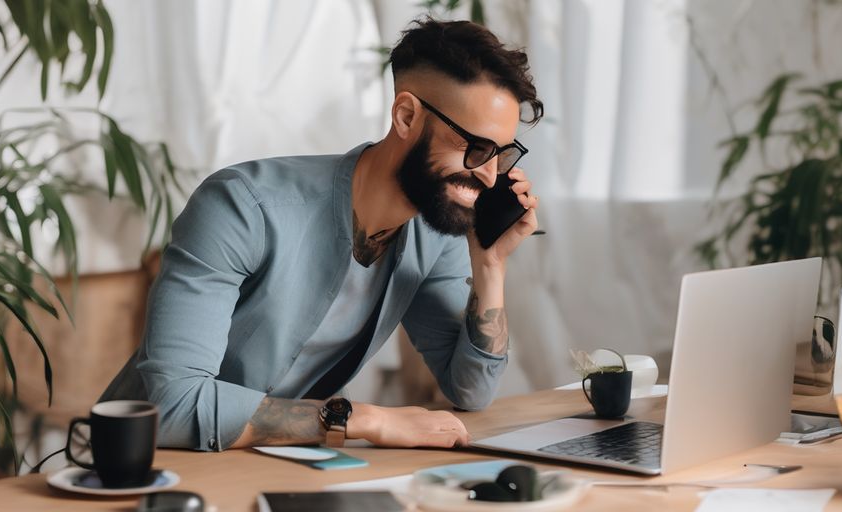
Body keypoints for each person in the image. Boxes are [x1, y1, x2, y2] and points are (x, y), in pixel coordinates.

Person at [99, 17, 543, 452]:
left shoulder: (435, 232)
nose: (488, 174)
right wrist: (365, 419)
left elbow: (471, 391)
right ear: (406, 116)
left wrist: (489, 264)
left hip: (265, 464)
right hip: (133, 467)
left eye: (502, 155)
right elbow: (171, 406)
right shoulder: (241, 207)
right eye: (475, 148)